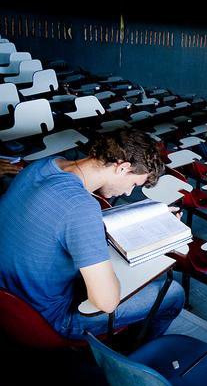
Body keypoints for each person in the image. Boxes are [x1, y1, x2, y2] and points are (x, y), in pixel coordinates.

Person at [0, 130, 184, 341]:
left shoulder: (44, 165)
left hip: (9, 297)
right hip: (45, 319)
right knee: (173, 294)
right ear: (122, 167)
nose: (127, 193)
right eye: (133, 184)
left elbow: (58, 219)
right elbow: (106, 302)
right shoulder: (81, 207)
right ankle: (126, 357)